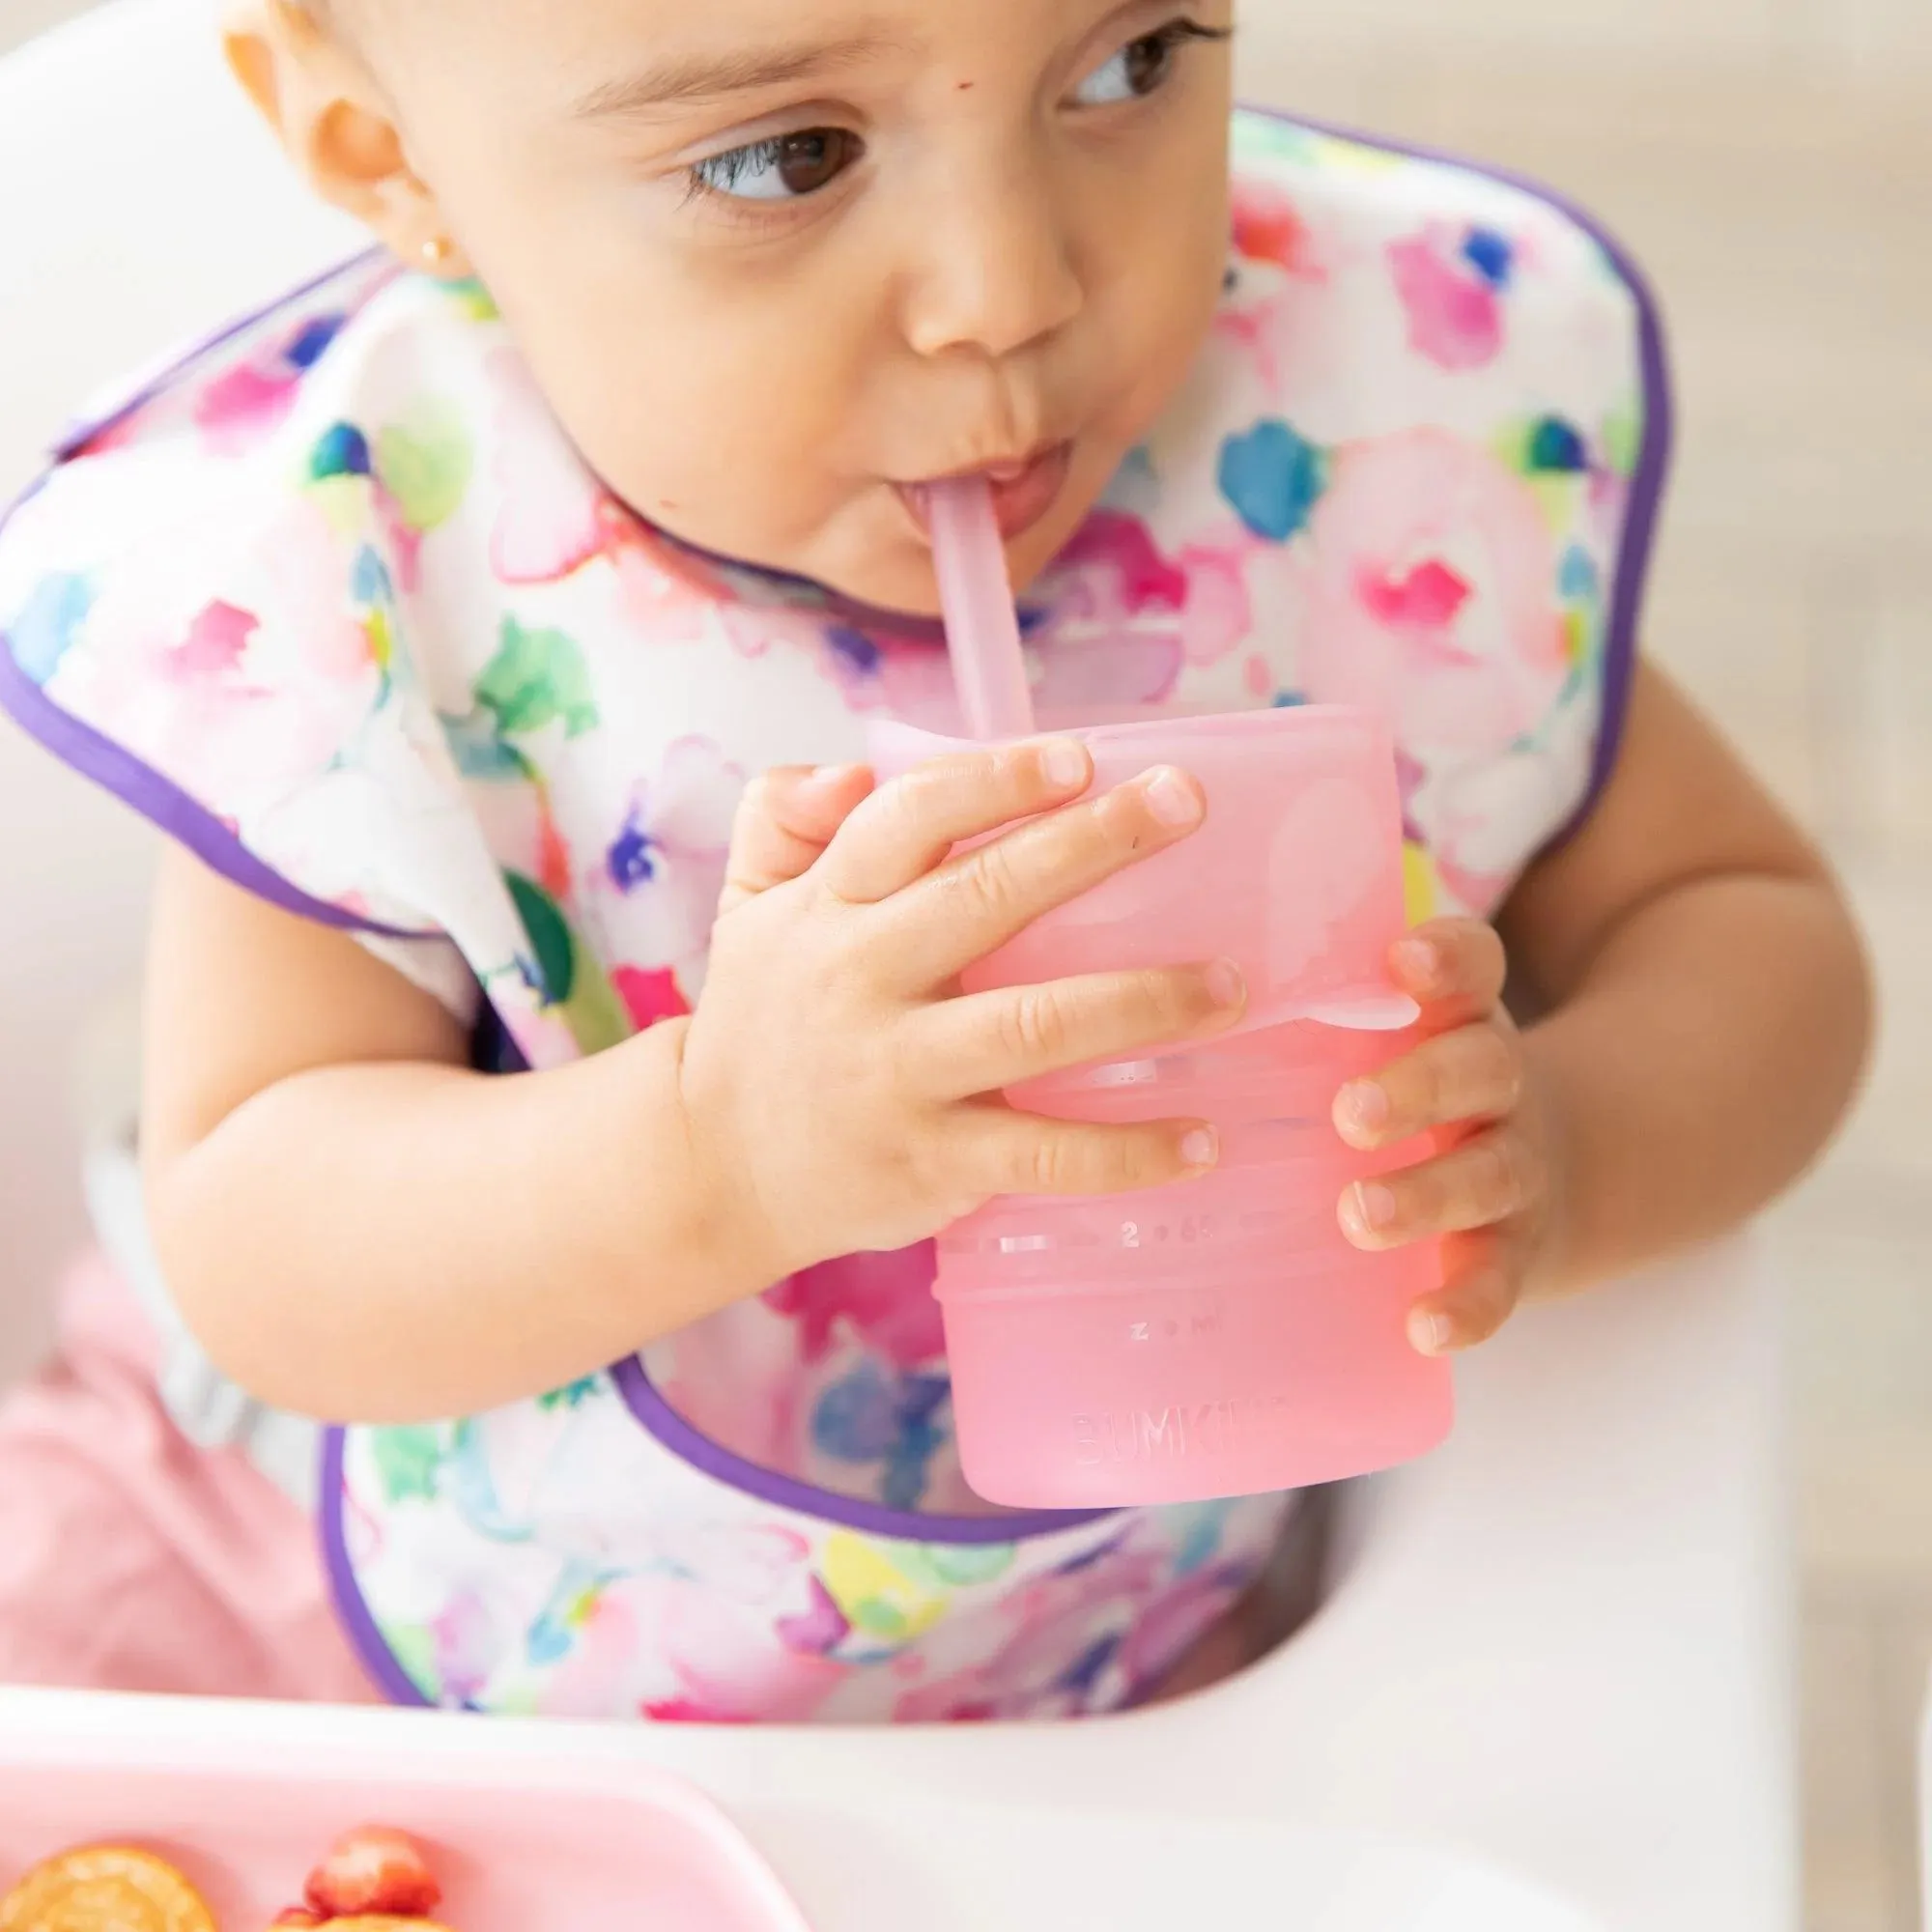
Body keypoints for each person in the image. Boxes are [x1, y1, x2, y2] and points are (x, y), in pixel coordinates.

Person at [0, 0, 1870, 1719]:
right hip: (294, 1588)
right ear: (381, 159)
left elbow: (1740, 924)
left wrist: (1561, 1143)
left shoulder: (1349, 448)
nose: (1011, 285)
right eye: (784, 157)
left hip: (1103, 1662)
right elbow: (258, 1228)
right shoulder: (376, 575)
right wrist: (717, 1149)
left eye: (1127, 64)